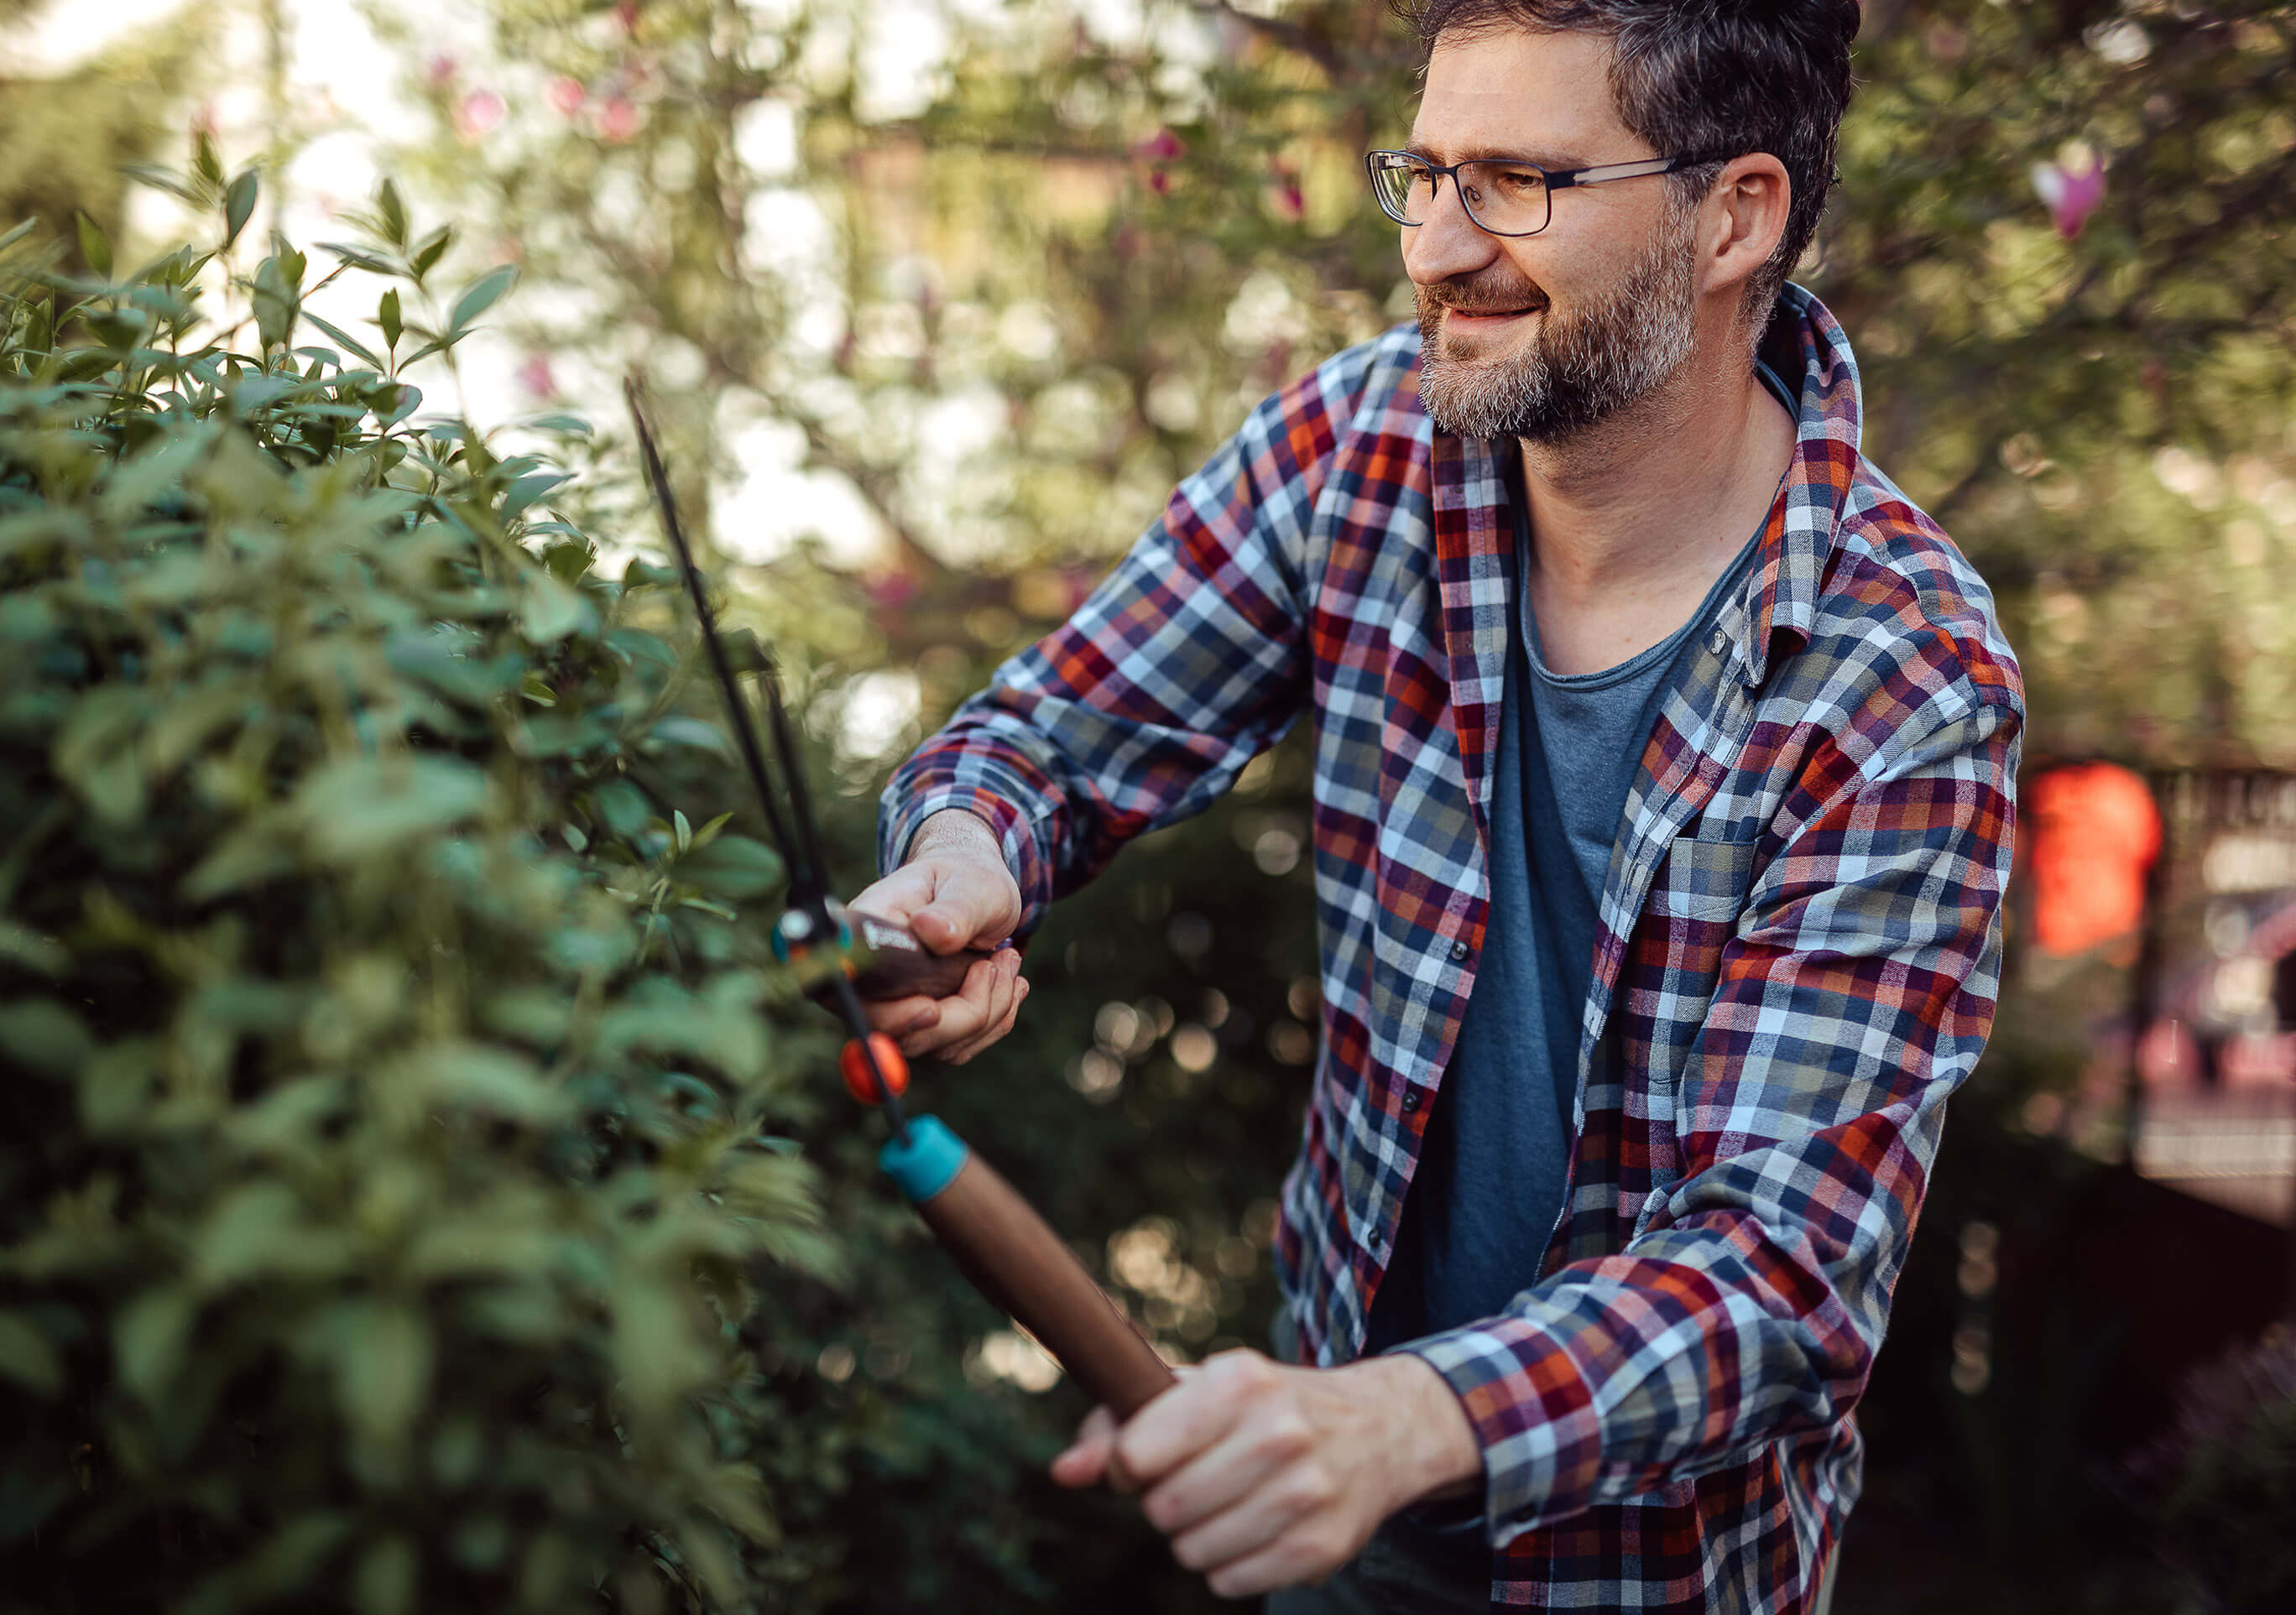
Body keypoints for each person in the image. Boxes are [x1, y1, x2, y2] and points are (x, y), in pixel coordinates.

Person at [851, 2, 2021, 1609]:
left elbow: (1779, 1272)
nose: (1437, 245)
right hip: (1326, 1515)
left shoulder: (1905, 679)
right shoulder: (1360, 447)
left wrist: (1398, 1419)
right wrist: (957, 862)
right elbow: (1048, 739)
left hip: (1647, 1572)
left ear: (1734, 214)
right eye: (1423, 172)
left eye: (1520, 183)